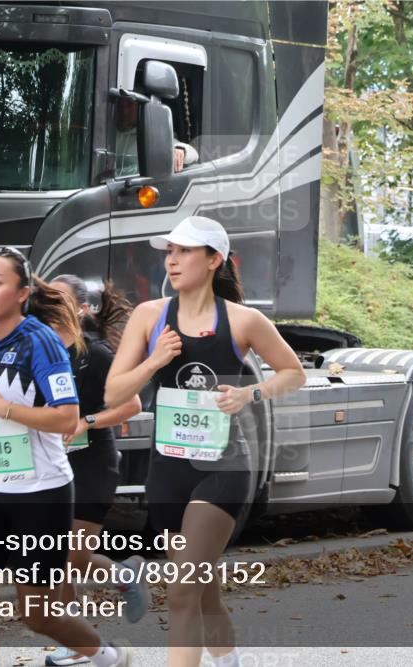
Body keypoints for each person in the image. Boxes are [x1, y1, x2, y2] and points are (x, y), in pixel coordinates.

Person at [103, 217, 306, 667]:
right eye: (169, 252)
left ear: (214, 260)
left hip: (223, 469)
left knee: (181, 591)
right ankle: (229, 661)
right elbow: (114, 393)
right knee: (203, 592)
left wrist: (250, 394)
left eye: (185, 251)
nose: (172, 260)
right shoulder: (150, 316)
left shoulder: (243, 320)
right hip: (167, 471)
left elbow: (294, 373)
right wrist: (154, 360)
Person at [0, 246, 132, 667]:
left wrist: (1, 409)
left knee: (38, 615)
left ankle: (106, 656)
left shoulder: (41, 341)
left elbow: (66, 418)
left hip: (39, 493)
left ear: (22, 293)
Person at [41, 275, 145, 666]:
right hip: (53, 464)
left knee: (68, 554)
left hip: (93, 464)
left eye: (60, 299)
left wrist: (86, 421)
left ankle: (80, 641)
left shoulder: (96, 354)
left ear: (82, 309)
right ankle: (119, 579)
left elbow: (132, 405)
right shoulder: (41, 352)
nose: (50, 306)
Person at [115, 96, 198, 177]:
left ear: (140, 107)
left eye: (129, 105)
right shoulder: (110, 133)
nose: (124, 111)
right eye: (121, 105)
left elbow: (194, 153)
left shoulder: (151, 134)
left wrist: (180, 150)